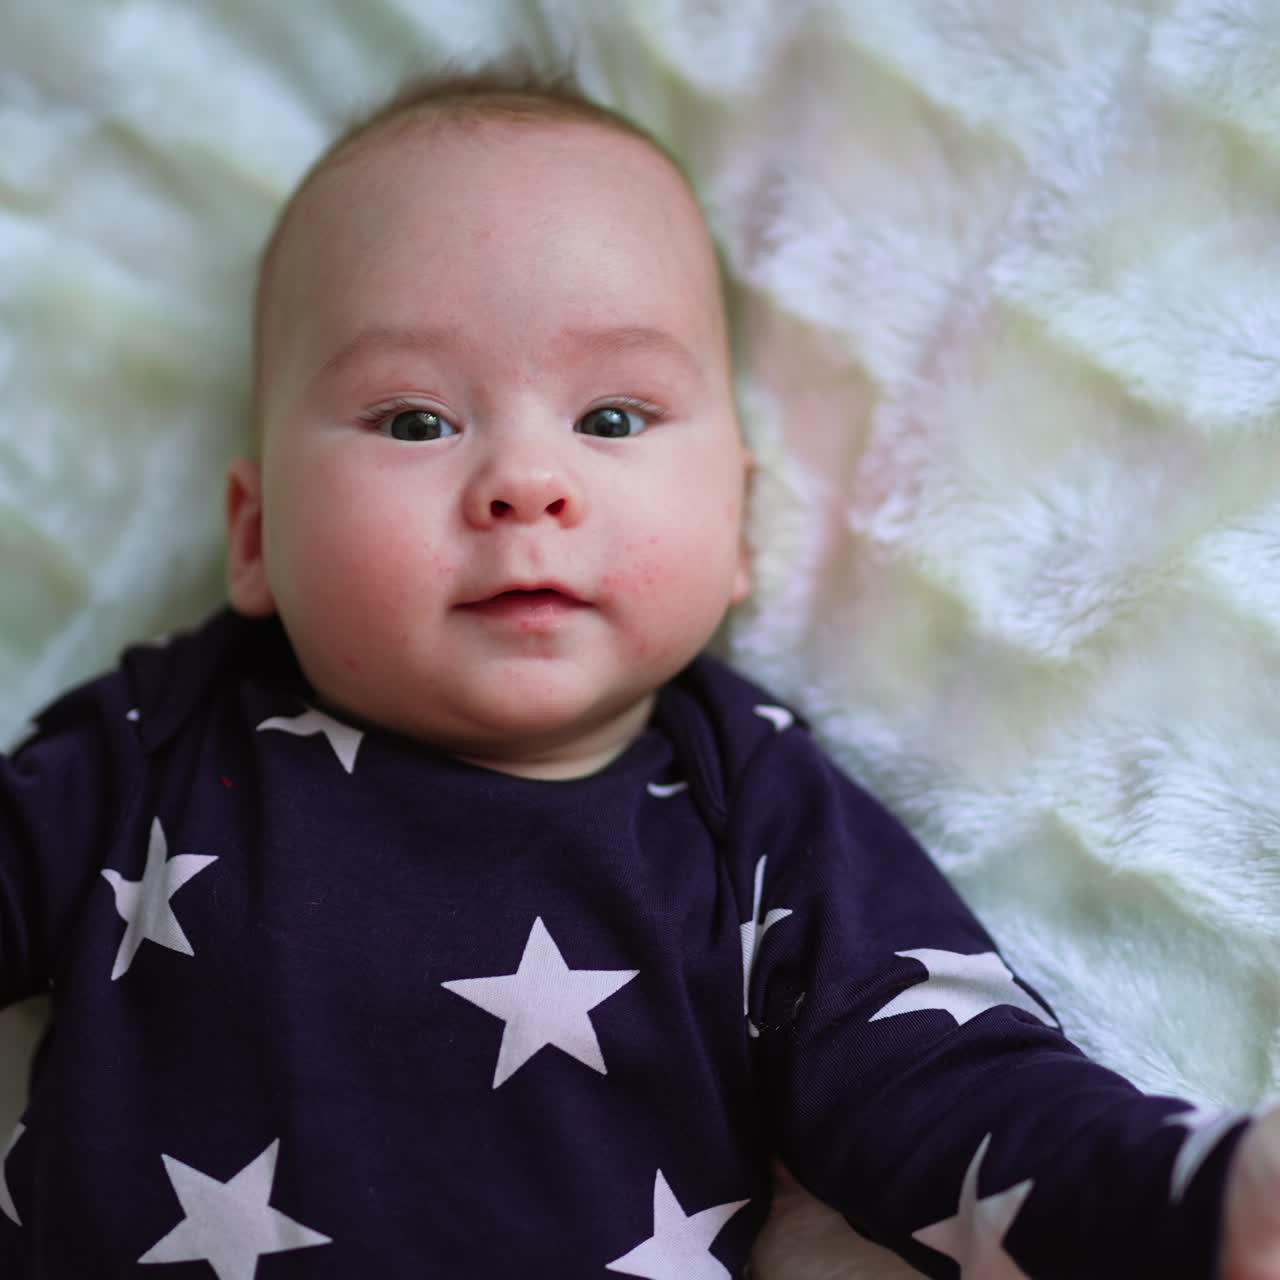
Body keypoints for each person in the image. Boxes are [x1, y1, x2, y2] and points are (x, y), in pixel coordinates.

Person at [2, 63, 1278, 1279]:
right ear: (257, 534)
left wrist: (1187, 1200)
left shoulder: (750, 805)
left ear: (736, 524)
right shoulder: (152, 735)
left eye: (611, 418)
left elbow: (952, 1089)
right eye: (413, 419)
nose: (524, 481)